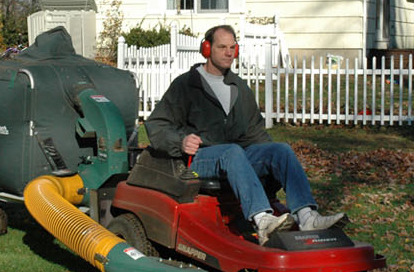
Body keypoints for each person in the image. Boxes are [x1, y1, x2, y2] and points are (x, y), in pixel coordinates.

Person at [145, 25, 345, 242]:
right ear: (206, 48)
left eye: (233, 47)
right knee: (231, 152)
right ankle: (263, 221)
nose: (229, 53)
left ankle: (307, 216)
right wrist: (180, 141)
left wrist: (271, 165)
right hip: (197, 159)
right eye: (222, 47)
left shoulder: (238, 87)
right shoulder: (186, 85)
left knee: (280, 150)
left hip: (234, 157)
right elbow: (157, 124)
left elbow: (255, 131)